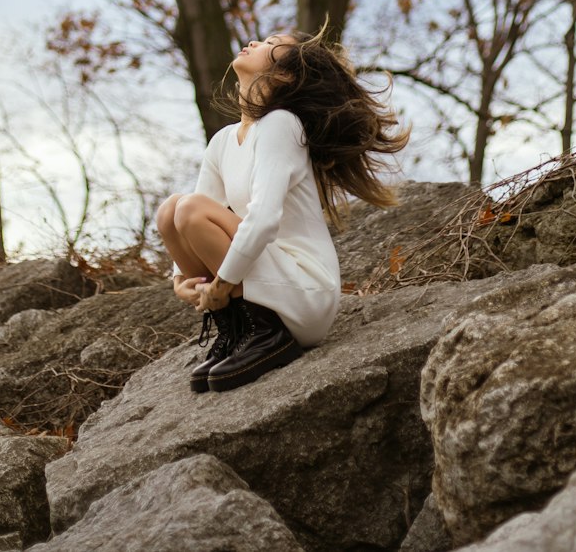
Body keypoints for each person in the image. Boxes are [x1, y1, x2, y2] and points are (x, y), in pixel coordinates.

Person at [155, 26, 410, 393]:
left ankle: (267, 330)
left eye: (272, 45)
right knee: (171, 211)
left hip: (304, 293)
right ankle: (236, 327)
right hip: (266, 278)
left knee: (190, 209)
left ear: (285, 75)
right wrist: (183, 283)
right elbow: (184, 226)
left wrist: (223, 284)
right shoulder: (223, 141)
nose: (256, 41)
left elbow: (262, 220)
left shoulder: (281, 124)